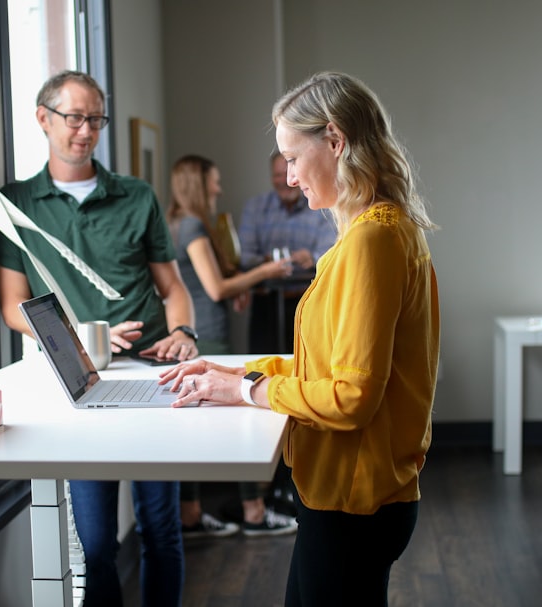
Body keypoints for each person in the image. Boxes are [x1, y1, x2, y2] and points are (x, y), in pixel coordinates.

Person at [160, 71, 440, 606]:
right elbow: (328, 369)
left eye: (293, 157)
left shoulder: (372, 240)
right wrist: (239, 374)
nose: (288, 177)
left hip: (354, 500)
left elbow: (351, 397)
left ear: (336, 141)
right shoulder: (379, 229)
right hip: (356, 496)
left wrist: (246, 392)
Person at [0, 70, 197, 606]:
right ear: (43, 118)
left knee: (161, 532)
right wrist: (77, 333)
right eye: (74, 117)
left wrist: (183, 331)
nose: (86, 130)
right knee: (97, 545)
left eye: (96, 119)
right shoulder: (17, 204)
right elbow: (13, 307)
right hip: (79, 388)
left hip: (155, 380)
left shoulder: (136, 196)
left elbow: (173, 288)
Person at [166, 154, 299, 539]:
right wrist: (266, 272)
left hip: (197, 333)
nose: (219, 188)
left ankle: (190, 514)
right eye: (214, 181)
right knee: (243, 415)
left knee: (192, 428)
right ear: (198, 184)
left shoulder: (176, 224)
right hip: (208, 336)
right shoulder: (191, 225)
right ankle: (254, 512)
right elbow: (216, 289)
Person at [238, 150, 337, 354]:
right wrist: (267, 263)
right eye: (277, 175)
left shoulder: (322, 207)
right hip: (266, 305)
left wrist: (313, 257)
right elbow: (245, 258)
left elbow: (332, 255)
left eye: (289, 173)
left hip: (309, 302)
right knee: (261, 367)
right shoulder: (255, 208)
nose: (284, 181)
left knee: (308, 371)